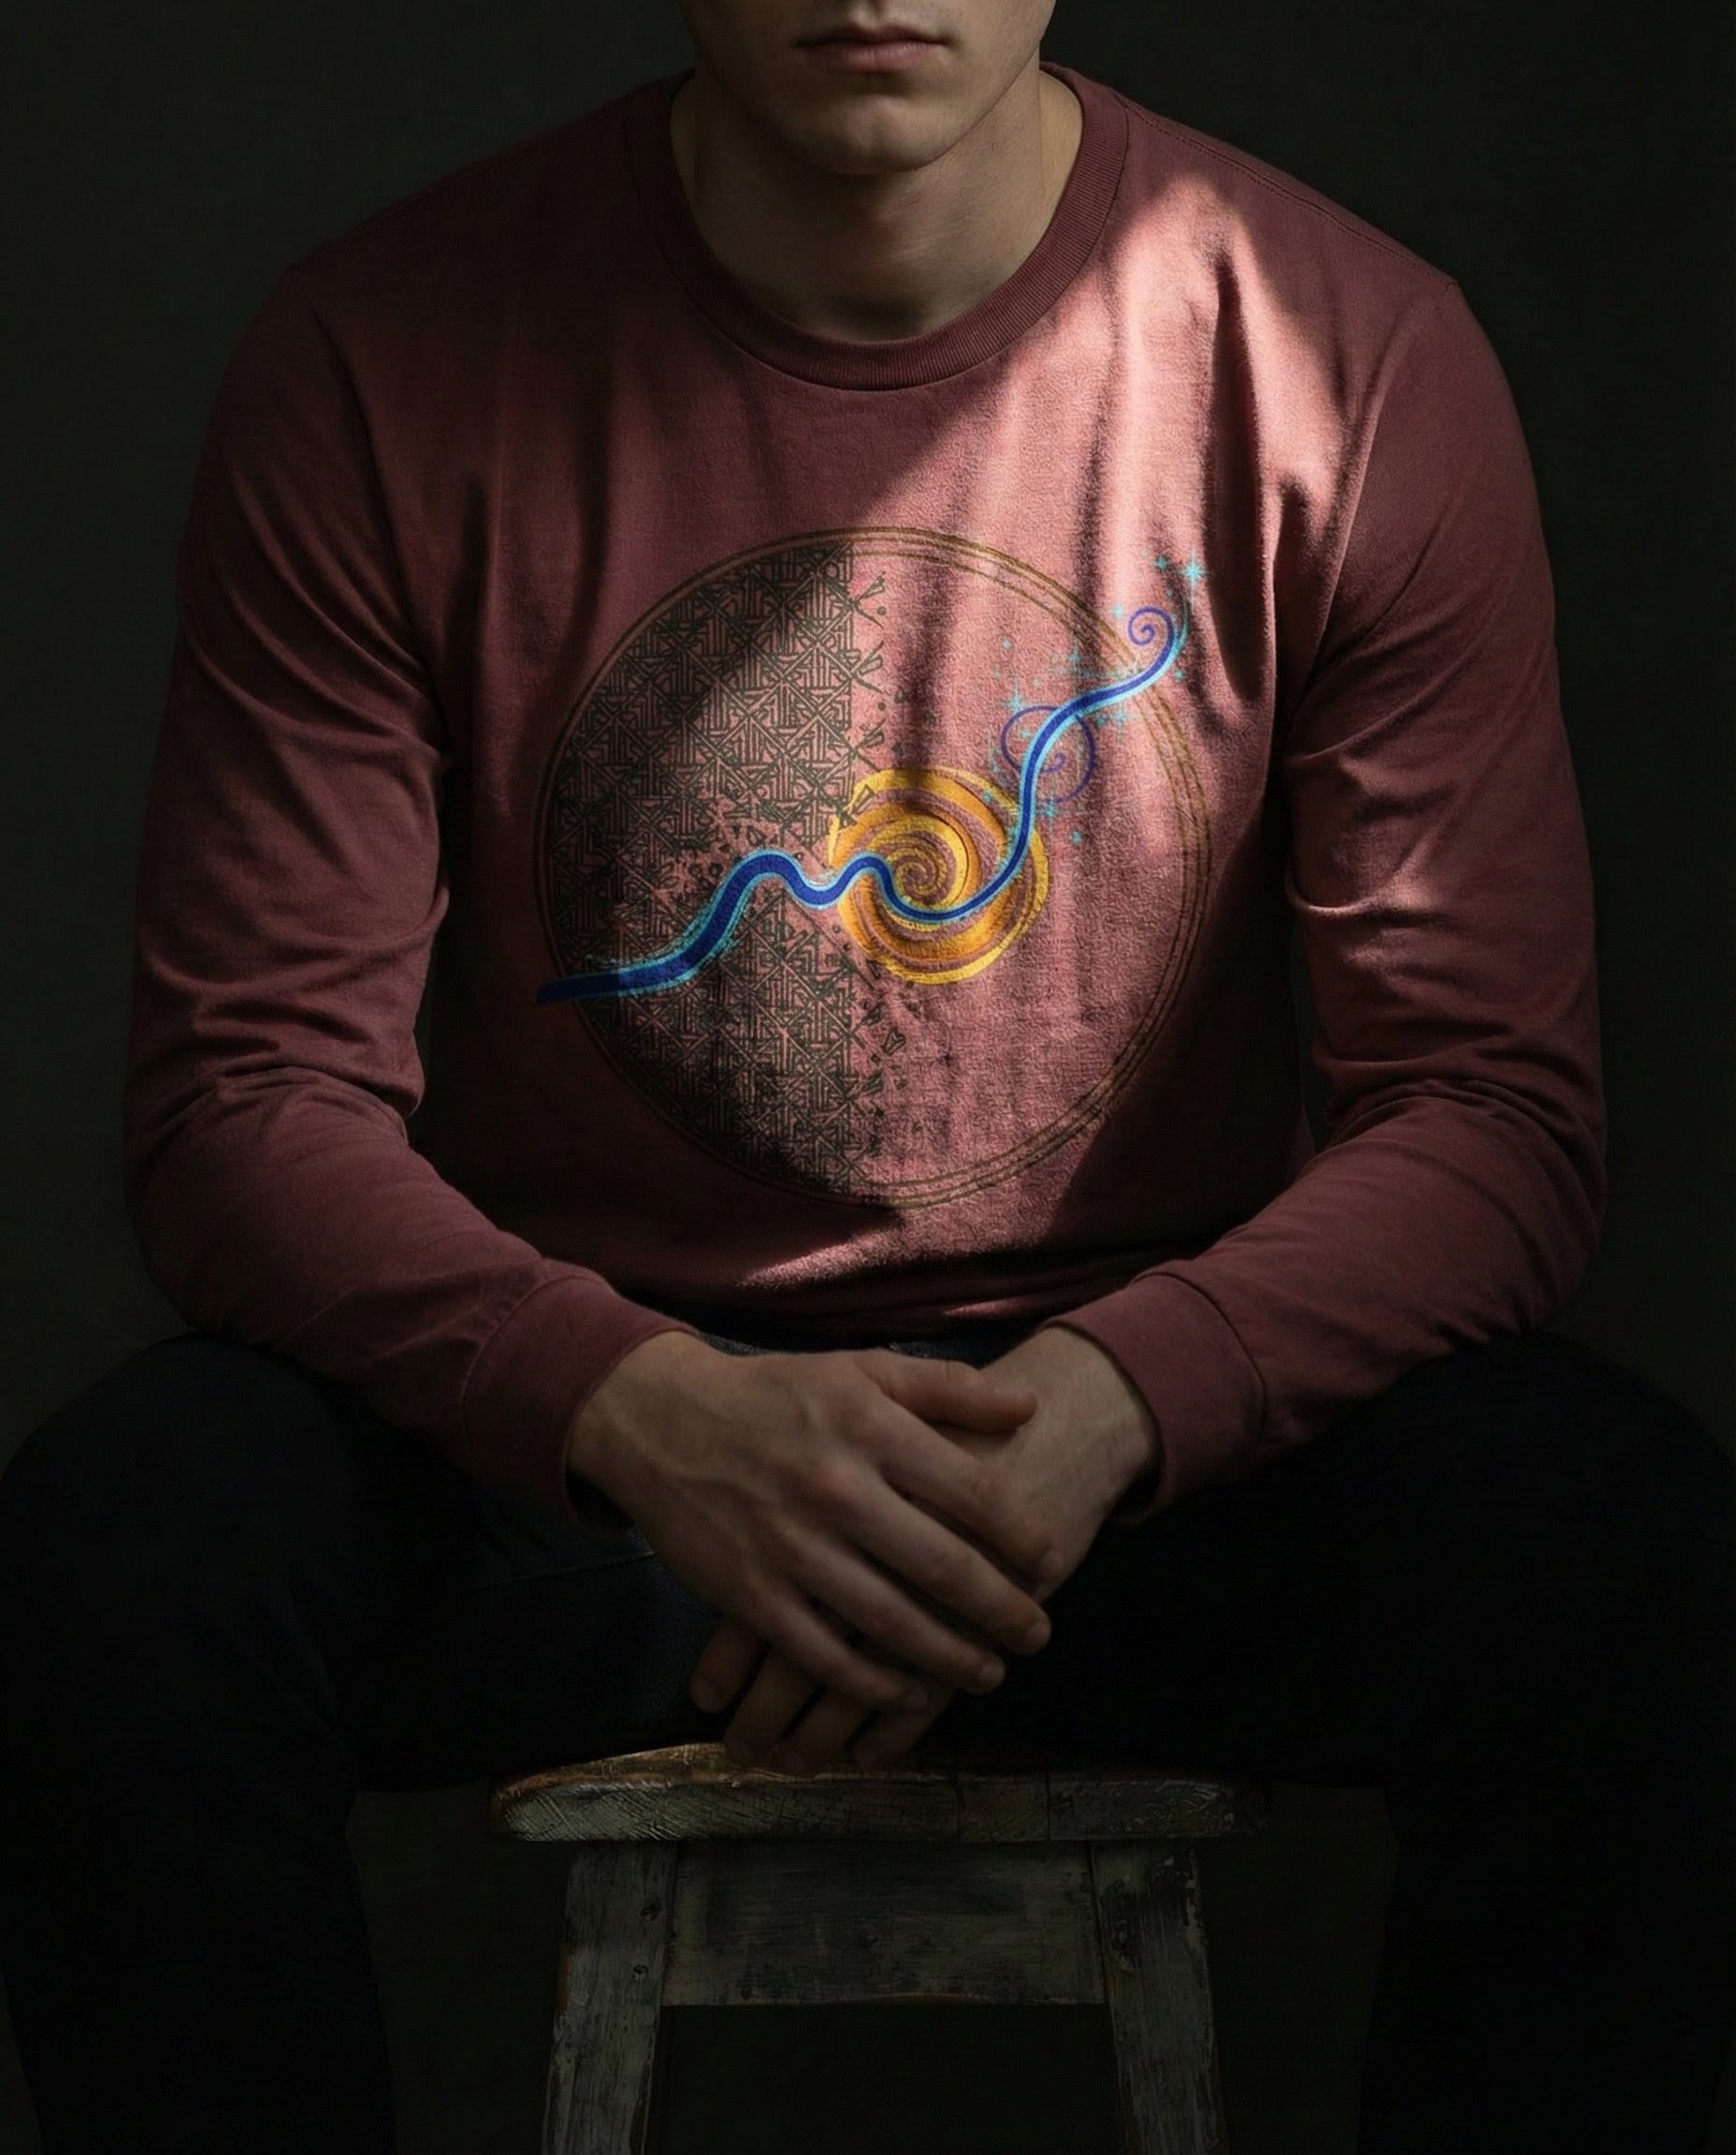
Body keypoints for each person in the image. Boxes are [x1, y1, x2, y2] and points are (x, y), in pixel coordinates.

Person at [0, 2, 1729, 2148]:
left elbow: (1489, 1114)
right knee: (117, 1555)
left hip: (1128, 1460)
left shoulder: (1342, 351)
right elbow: (243, 1106)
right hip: (599, 1463)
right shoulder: (383, 357)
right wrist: (651, 1418)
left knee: (1623, 1549)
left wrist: (1100, 1416)